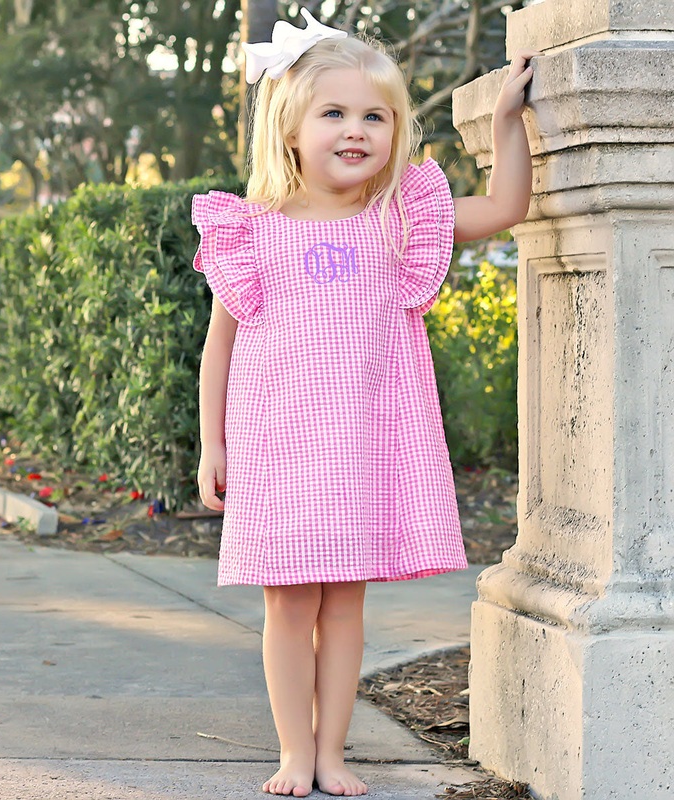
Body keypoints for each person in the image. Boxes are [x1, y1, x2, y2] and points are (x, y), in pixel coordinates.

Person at [192, 8, 540, 797]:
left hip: (359, 448)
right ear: (291, 129)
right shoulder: (252, 231)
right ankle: (292, 752)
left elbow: (505, 208)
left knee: (343, 606)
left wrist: (511, 120)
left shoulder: (398, 223)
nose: (356, 130)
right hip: (278, 446)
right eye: (335, 113)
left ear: (395, 131)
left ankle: (333, 754)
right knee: (288, 607)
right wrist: (213, 445)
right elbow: (221, 348)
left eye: (374, 116)